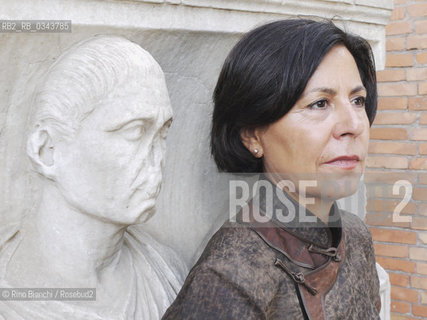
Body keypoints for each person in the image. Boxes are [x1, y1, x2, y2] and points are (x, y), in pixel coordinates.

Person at [163, 19, 380, 319]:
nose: (354, 125)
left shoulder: (356, 238)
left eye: (358, 100)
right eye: (319, 103)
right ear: (253, 135)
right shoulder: (231, 275)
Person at [0, 35, 186, 320]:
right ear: (47, 150)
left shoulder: (168, 273)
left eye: (162, 132)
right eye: (134, 131)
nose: (156, 159)